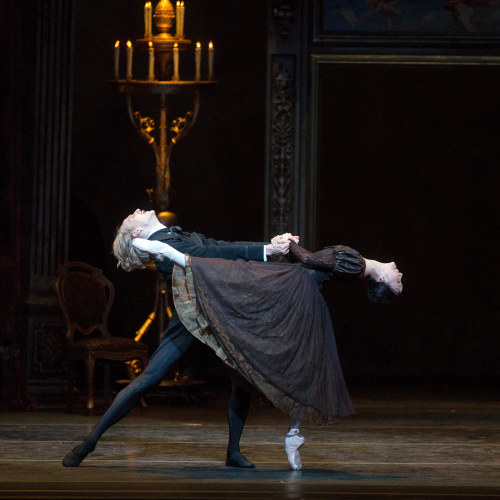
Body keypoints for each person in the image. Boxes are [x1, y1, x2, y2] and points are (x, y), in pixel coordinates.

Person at [132, 232, 403, 471]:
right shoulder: (360, 264)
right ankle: (293, 433)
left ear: (380, 280)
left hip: (294, 286)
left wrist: (288, 244)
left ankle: (174, 256)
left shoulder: (357, 265)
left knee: (237, 279)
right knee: (297, 363)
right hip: (298, 287)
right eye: (399, 280)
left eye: (396, 282)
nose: (400, 275)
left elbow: (309, 261)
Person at [62, 209, 295, 469]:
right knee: (150, 377)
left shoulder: (175, 234)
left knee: (240, 380)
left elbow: (217, 246)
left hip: (217, 311)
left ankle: (233, 452)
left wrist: (268, 247)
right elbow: (209, 255)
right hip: (190, 318)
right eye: (130, 217)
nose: (136, 211)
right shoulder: (161, 248)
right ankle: (89, 442)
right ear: (137, 232)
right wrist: (268, 249)